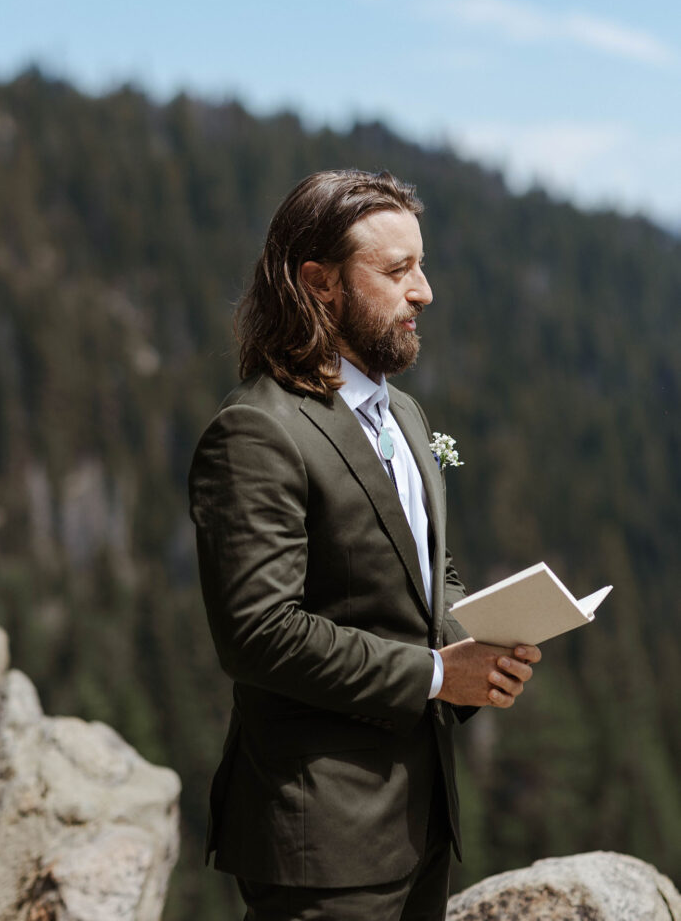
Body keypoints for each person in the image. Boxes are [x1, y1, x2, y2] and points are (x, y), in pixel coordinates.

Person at [188, 169, 541, 921]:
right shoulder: (257, 430)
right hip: (322, 838)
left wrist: (490, 638)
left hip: (422, 821)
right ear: (318, 282)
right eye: (396, 270)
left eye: (421, 265)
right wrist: (439, 674)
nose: (424, 292)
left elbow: (424, 576)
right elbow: (258, 635)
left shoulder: (404, 414)